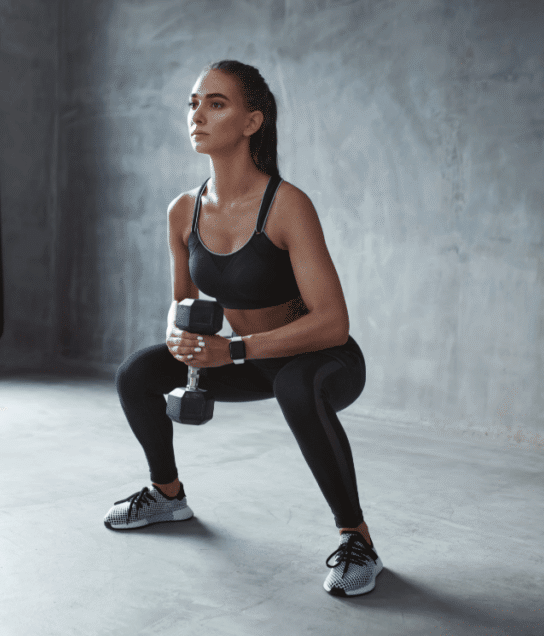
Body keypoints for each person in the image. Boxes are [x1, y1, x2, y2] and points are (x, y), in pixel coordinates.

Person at [105, 60, 380, 597]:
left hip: (321, 361)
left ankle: (357, 539)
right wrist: (179, 337)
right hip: (246, 361)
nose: (197, 115)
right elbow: (183, 299)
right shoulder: (183, 210)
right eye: (193, 103)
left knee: (295, 384)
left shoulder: (287, 205)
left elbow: (332, 323)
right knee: (136, 373)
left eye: (216, 103)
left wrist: (232, 351)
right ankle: (167, 494)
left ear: (253, 122)